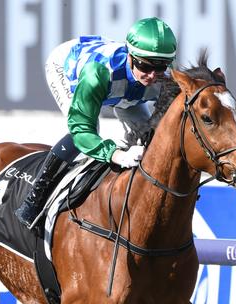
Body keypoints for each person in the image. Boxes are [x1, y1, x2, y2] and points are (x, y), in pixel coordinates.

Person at [15, 17, 178, 229]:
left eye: (161, 67)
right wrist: (117, 155)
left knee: (145, 133)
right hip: (68, 67)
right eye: (145, 66)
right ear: (130, 56)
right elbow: (81, 129)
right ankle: (34, 200)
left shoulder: (162, 78)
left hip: (125, 89)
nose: (152, 75)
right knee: (89, 131)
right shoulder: (97, 74)